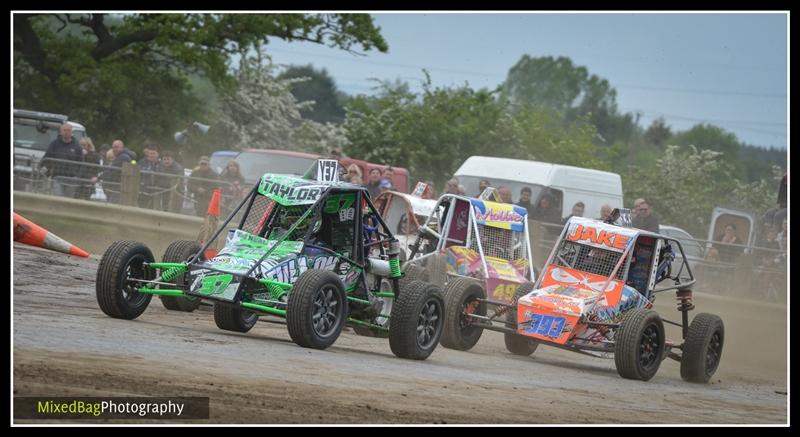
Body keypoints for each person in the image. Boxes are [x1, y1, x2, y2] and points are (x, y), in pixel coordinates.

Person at [41, 123, 84, 198]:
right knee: (58, 197)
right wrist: (43, 168)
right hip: (57, 177)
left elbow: (81, 163)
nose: (66, 132)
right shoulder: (54, 144)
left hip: (71, 178)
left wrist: (78, 176)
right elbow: (46, 158)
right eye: (64, 130)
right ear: (61, 132)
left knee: (68, 199)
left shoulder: (77, 146)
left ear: (71, 132)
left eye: (68, 130)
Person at [94, 139, 134, 204]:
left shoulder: (122, 157)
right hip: (118, 187)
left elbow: (111, 171)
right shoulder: (120, 157)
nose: (114, 149)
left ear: (122, 147)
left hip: (118, 187)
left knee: (112, 206)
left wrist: (98, 178)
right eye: (113, 147)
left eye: (117, 147)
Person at [138, 144, 162, 209]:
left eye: (154, 153)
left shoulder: (161, 164)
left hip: (156, 192)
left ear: (158, 154)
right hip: (143, 191)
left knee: (153, 209)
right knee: (141, 208)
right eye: (150, 153)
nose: (152, 155)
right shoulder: (142, 162)